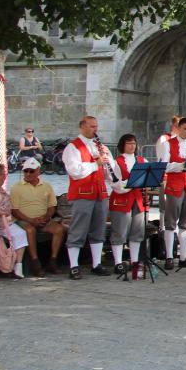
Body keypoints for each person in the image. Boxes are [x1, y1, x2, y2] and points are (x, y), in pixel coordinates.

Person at [63, 116, 112, 279]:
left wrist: (107, 159)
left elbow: (108, 171)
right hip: (82, 193)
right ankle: (74, 266)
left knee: (99, 229)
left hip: (100, 192)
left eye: (96, 126)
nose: (95, 129)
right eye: (92, 126)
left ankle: (96, 263)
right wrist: (95, 164)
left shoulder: (99, 146)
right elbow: (75, 171)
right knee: (78, 229)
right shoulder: (73, 147)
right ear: (82, 127)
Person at [157, 116, 186, 270]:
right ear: (178, 129)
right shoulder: (168, 144)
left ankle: (183, 256)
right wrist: (182, 165)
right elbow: (164, 166)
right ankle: (169, 256)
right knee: (170, 223)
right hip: (175, 187)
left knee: (185, 224)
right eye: (185, 129)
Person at [11, 158, 64, 276]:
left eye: (31, 171)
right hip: (24, 220)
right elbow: (15, 211)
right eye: (26, 171)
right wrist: (31, 220)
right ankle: (35, 262)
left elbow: (52, 207)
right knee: (30, 230)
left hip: (42, 219)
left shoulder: (47, 186)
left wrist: (46, 217)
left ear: (38, 171)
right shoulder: (16, 187)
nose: (28, 174)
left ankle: (53, 261)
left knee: (59, 229)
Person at [107, 134, 147, 278]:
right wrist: (132, 183)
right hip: (121, 199)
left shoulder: (142, 160)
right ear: (122, 145)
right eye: (129, 143)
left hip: (138, 199)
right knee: (120, 231)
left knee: (137, 232)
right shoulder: (116, 162)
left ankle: (135, 261)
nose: (132, 146)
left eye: (134, 143)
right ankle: (118, 262)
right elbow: (116, 184)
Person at [0, 165, 29, 278]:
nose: (4, 178)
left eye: (5, 175)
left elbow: (7, 209)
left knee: (20, 234)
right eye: (3, 175)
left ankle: (18, 266)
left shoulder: (3, 192)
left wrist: (3, 212)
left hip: (4, 223)